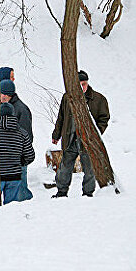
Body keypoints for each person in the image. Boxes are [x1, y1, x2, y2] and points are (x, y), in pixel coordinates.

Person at [51, 70, 110, 198]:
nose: (82, 87)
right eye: (80, 84)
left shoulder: (98, 99)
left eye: (84, 84)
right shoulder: (67, 97)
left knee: (89, 168)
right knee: (65, 166)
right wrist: (56, 135)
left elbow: (104, 119)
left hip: (87, 141)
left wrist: (95, 135)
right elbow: (61, 117)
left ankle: (88, 193)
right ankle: (61, 191)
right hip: (70, 137)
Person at [0, 78, 33, 199]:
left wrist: (21, 156)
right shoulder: (2, 106)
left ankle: (25, 207)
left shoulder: (21, 109)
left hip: (17, 158)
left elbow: (26, 135)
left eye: (2, 93)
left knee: (20, 189)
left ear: (7, 95)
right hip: (6, 160)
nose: (0, 96)